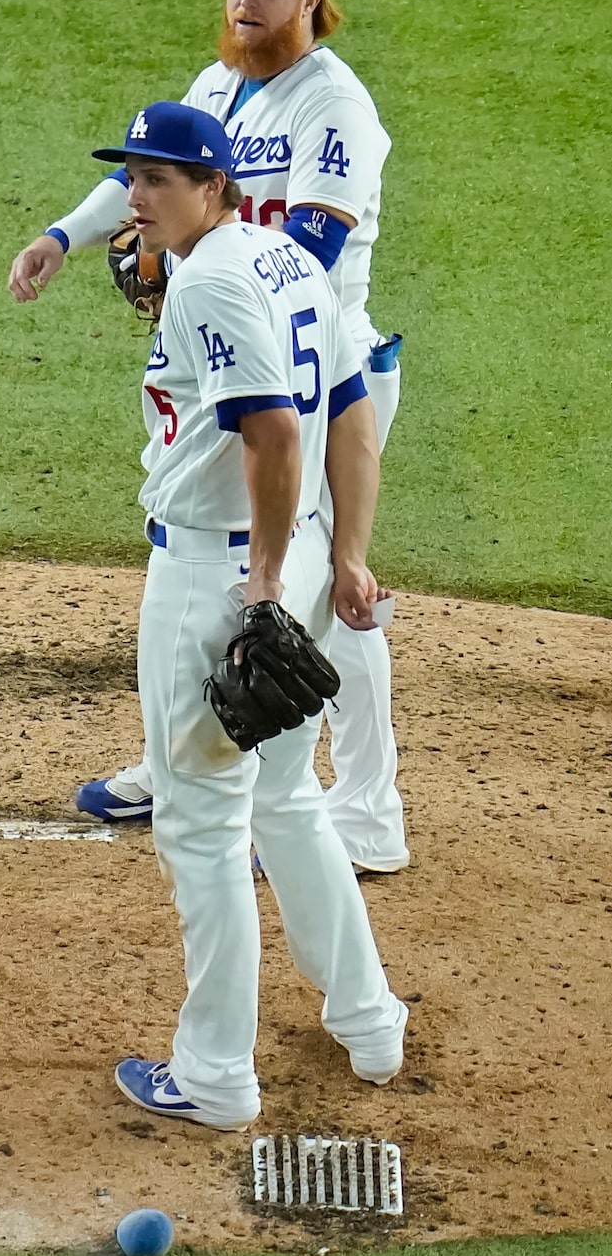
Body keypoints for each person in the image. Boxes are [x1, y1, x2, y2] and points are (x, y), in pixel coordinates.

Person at [10, 0, 404, 871]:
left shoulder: (332, 107)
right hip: (231, 355)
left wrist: (202, 274)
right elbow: (158, 180)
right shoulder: (217, 87)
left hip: (321, 370)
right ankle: (177, 756)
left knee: (321, 588)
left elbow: (309, 242)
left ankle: (364, 808)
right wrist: (63, 236)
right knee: (223, 566)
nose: (244, 1)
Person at [88, 103, 405, 1130]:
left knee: (200, 822)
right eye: (132, 176)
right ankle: (368, 1018)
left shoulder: (215, 280)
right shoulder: (281, 257)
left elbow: (273, 430)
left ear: (214, 187)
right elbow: (353, 406)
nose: (138, 199)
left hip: (219, 574)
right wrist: (344, 556)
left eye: (161, 180)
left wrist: (262, 582)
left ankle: (215, 1073)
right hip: (300, 553)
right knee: (287, 798)